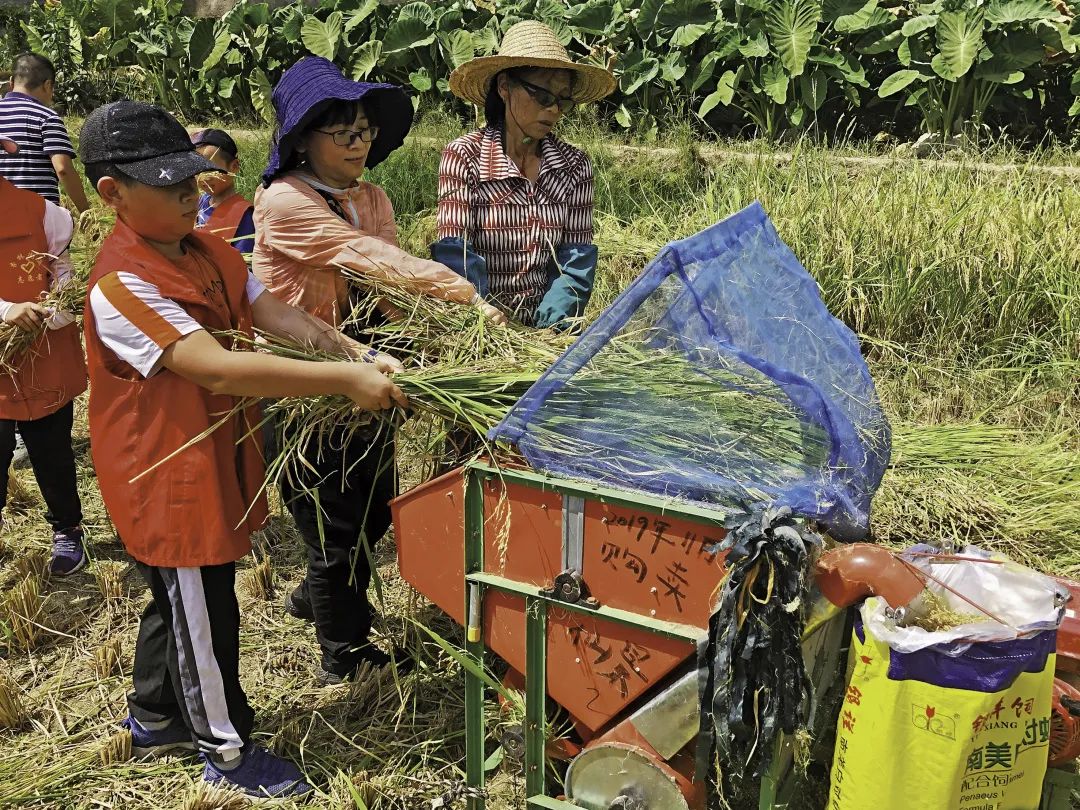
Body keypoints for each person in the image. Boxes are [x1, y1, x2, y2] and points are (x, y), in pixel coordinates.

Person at [79, 99, 406, 799]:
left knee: (184, 597)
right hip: (164, 475)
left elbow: (275, 313)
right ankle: (226, 751)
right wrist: (344, 381)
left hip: (214, 456)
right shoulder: (122, 284)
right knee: (204, 610)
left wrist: (356, 350)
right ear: (113, 194)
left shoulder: (207, 251)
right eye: (169, 187)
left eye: (192, 178)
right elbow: (217, 367)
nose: (191, 193)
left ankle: (155, 716)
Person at [254, 56, 504, 686]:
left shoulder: (372, 196)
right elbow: (368, 259)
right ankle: (344, 654)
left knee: (372, 512)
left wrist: (438, 350)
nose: (357, 142)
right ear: (304, 137)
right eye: (341, 131)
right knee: (333, 527)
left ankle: (318, 602)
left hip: (369, 369)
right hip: (307, 382)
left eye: (363, 130)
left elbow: (391, 288)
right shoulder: (284, 201)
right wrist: (466, 297)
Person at [435, 21, 614, 329]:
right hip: (480, 325)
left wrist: (549, 330)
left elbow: (575, 262)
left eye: (563, 100)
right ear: (505, 87)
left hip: (547, 333)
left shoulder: (573, 167)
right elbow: (456, 256)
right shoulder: (465, 157)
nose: (554, 110)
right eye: (543, 96)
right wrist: (482, 318)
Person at [0, 132, 87, 574]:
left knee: (52, 451)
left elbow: (64, 271)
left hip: (42, 356)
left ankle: (68, 529)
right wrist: (5, 309)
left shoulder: (44, 213)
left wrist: (57, 307)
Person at [0, 53, 89, 213]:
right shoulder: (46, 117)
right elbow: (63, 169)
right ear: (48, 85)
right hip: (35, 218)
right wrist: (85, 211)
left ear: (12, 83)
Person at [190, 128, 255, 258]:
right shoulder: (199, 202)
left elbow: (242, 264)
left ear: (234, 166)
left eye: (210, 169)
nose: (203, 177)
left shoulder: (244, 215)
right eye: (197, 169)